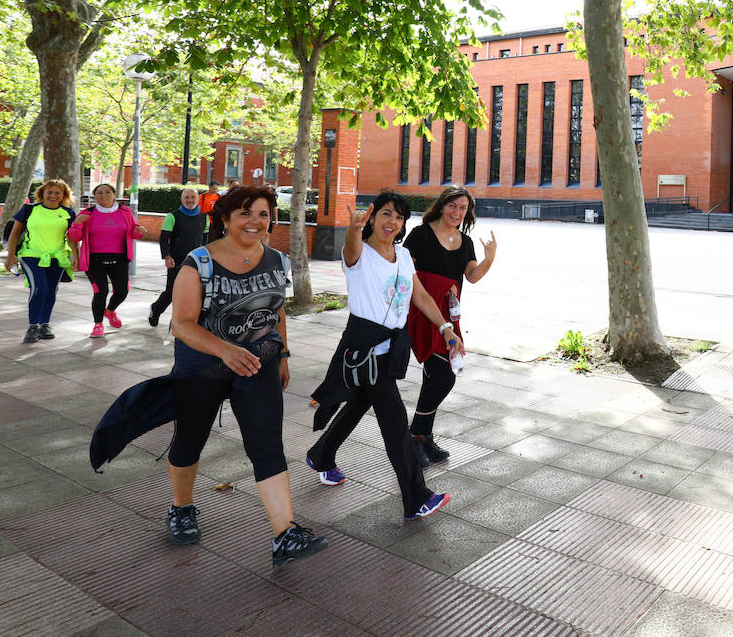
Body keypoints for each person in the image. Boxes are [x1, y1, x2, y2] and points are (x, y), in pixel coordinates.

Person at [90, 185, 326, 567]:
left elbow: (275, 311)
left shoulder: (278, 261)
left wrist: (282, 354)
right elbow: (181, 324)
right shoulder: (198, 262)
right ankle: (181, 507)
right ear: (226, 218)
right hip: (203, 366)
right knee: (189, 439)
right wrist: (226, 350)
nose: (255, 221)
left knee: (267, 445)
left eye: (263, 214)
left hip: (257, 364)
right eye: (245, 213)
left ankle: (285, 533)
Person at [306, 192, 455, 520]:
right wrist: (352, 230)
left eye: (399, 217)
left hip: (392, 348)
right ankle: (416, 497)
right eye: (386, 214)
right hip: (365, 349)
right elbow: (351, 249)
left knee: (359, 403)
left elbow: (421, 296)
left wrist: (445, 327)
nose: (392, 222)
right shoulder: (359, 253)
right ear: (372, 218)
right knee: (395, 421)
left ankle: (321, 455)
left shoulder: (402, 255)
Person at [402, 186, 496, 464]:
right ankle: (416, 436)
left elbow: (473, 276)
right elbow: (406, 273)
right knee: (444, 377)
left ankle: (424, 439)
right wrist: (438, 286)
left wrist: (490, 257)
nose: (457, 212)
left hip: (449, 317)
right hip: (422, 312)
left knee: (433, 376)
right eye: (452, 206)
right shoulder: (420, 234)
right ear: (442, 206)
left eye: (463, 208)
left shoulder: (465, 241)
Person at [67, 183, 145, 338]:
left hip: (120, 259)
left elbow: (134, 232)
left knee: (122, 292)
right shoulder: (87, 213)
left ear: (114, 194)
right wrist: (77, 223)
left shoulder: (125, 212)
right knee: (101, 292)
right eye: (99, 193)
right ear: (94, 196)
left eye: (108, 192)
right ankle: (98, 324)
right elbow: (73, 237)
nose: (104, 195)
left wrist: (139, 232)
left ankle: (109, 311)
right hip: (95, 260)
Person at [5, 179, 77, 343]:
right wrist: (11, 256)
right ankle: (33, 327)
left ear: (63, 195)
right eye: (49, 192)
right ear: (42, 193)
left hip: (57, 258)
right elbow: (14, 233)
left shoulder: (68, 213)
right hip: (31, 255)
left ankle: (45, 325)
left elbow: (72, 237)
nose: (53, 195)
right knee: (39, 288)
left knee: (51, 290)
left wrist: (76, 256)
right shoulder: (30, 210)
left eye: (57, 193)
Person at [149, 187, 207, 327]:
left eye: (192, 197)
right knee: (172, 292)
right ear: (181, 199)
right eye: (186, 197)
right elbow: (164, 239)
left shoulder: (204, 217)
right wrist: (167, 256)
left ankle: (187, 321)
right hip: (177, 260)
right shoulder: (172, 216)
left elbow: (205, 240)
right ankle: (155, 310)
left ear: (197, 199)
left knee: (197, 292)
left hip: (197, 261)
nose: (190, 200)